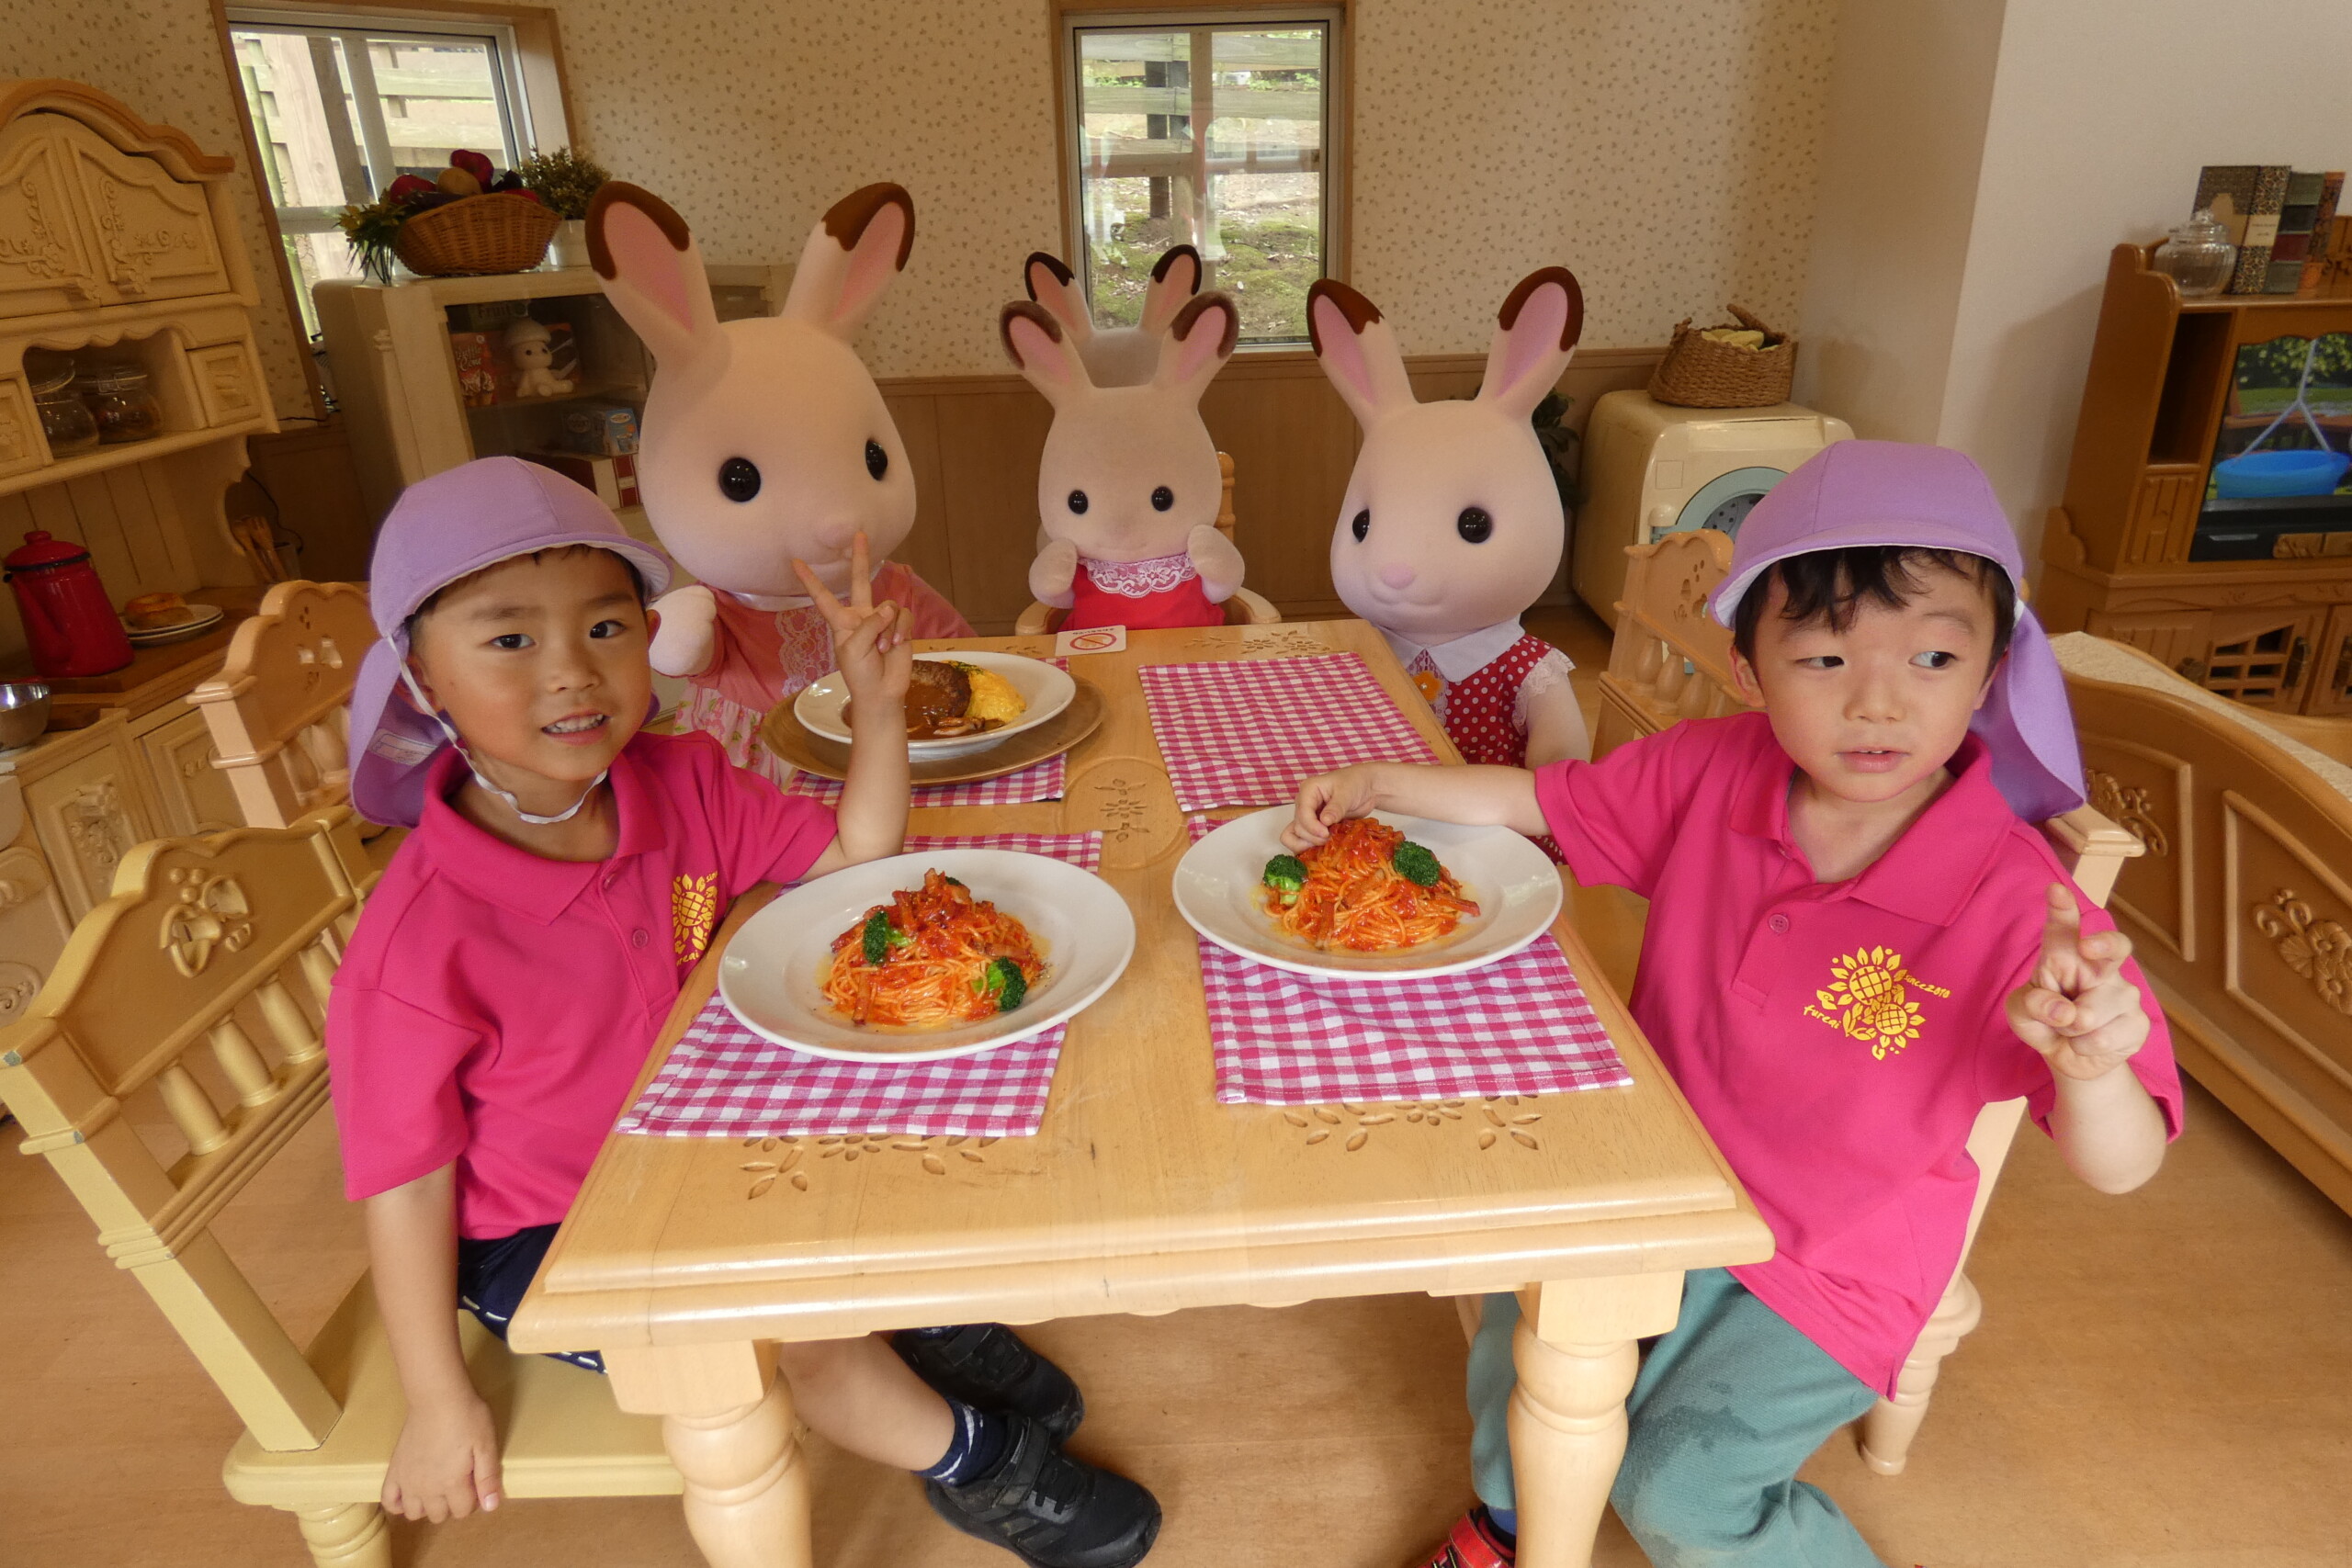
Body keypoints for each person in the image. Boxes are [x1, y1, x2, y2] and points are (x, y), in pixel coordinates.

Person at [1284, 441, 2183, 1568]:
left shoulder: (2021, 907)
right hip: (1657, 1177)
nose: (1877, 701)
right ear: (1749, 670)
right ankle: (1508, 1524)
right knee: (1523, 1339)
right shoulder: (1713, 767)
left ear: (1990, 671)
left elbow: (2121, 1165)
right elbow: (1537, 800)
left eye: (1933, 656)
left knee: (1675, 1490)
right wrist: (1380, 783)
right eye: (1822, 657)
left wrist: (2092, 1068)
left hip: (1833, 1265)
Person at [326, 457, 1160, 1568]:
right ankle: (977, 1462)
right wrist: (437, 1399)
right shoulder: (416, 943)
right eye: (510, 639)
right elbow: (405, 1185)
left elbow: (853, 852)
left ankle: (917, 1320)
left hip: (698, 1140)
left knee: (895, 1130)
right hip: (550, 1233)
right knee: (801, 1338)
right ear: (420, 676)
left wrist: (877, 711)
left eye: (606, 627)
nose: (572, 671)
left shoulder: (679, 781)